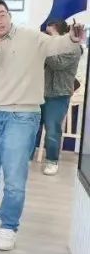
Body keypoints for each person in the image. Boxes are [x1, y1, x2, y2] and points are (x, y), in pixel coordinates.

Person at [0, 0, 85, 251]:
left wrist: (72, 37)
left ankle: (8, 226)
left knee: (14, 175)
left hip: (23, 116)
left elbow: (57, 44)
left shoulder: (31, 37)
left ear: (9, 15)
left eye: (2, 14)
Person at [37, 19, 82, 176]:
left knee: (52, 130)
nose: (47, 37)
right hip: (38, 92)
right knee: (30, 126)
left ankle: (52, 161)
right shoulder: (46, 47)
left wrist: (44, 46)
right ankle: (24, 157)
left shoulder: (74, 48)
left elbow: (57, 64)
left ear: (64, 35)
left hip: (58, 95)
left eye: (51, 34)